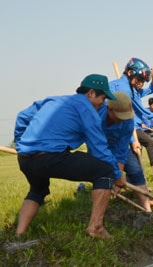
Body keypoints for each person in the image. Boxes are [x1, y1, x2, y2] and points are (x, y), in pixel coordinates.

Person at [14, 74, 126, 239]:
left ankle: (19, 234)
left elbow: (22, 117)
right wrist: (117, 175)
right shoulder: (87, 110)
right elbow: (99, 150)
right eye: (102, 98)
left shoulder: (53, 101)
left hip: (24, 159)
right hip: (50, 158)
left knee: (38, 190)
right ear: (90, 93)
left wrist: (20, 143)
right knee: (105, 171)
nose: (103, 103)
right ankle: (96, 227)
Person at [109, 57, 153, 180]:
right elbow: (131, 112)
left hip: (123, 128)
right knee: (125, 159)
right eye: (139, 79)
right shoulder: (124, 90)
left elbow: (152, 89)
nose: (141, 83)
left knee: (131, 160)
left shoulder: (134, 90)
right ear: (129, 73)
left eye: (143, 81)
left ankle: (136, 187)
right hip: (112, 130)